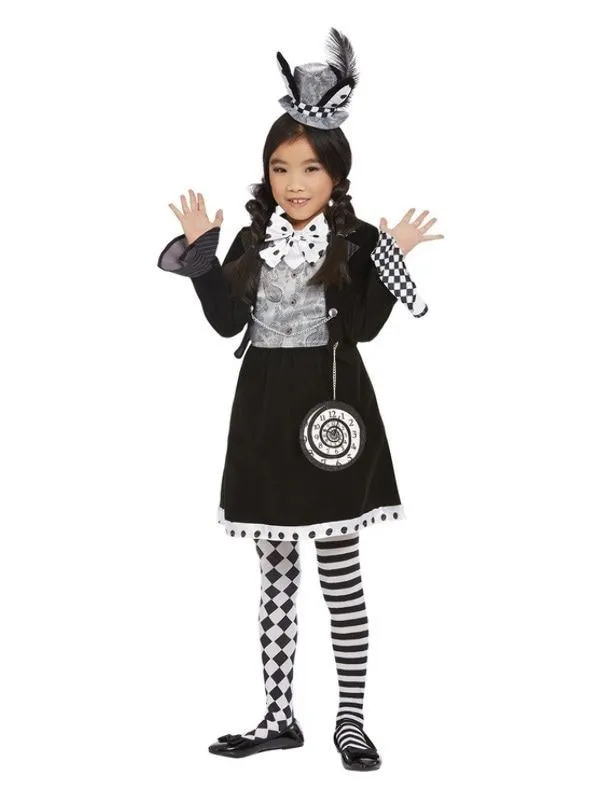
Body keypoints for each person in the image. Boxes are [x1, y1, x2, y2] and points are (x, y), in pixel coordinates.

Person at [157, 27, 443, 771]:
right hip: (263, 411)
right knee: (276, 575)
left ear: (337, 174)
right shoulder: (253, 241)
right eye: (280, 167)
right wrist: (203, 258)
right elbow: (228, 323)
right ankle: (279, 715)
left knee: (340, 574)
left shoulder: (355, 242)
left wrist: (392, 257)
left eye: (310, 168)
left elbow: (368, 329)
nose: (294, 182)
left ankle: (350, 719)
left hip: (332, 412)